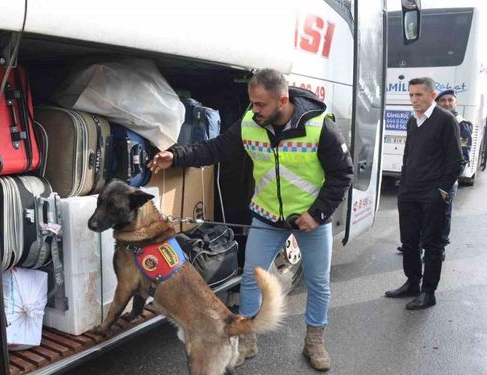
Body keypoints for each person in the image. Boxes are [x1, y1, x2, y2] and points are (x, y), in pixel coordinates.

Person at [148, 68, 353, 371]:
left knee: (318, 283)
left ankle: (314, 341)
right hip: (267, 217)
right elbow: (214, 148)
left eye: (260, 105)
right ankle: (247, 341)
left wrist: (317, 214)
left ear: (282, 100)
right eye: (251, 103)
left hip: (311, 219)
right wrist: (175, 156)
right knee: (251, 279)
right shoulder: (250, 123)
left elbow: (342, 174)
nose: (254, 110)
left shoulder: (320, 127)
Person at [385, 77, 464, 310]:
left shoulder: (445, 120)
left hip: (432, 193)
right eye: (411, 95)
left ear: (431, 96)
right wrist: (403, 185)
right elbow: (409, 155)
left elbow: (456, 162)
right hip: (409, 191)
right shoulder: (412, 121)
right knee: (409, 242)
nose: (413, 99)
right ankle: (412, 283)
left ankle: (429, 292)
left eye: (418, 95)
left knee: (432, 244)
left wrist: (440, 191)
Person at [436, 89, 472, 247]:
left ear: (456, 103)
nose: (447, 103)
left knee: (442, 215)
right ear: (437, 103)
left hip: (446, 179)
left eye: (450, 100)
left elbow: (463, 158)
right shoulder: (433, 120)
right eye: (443, 100)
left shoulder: (460, 123)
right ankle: (418, 243)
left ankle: (441, 246)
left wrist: (447, 184)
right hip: (428, 177)